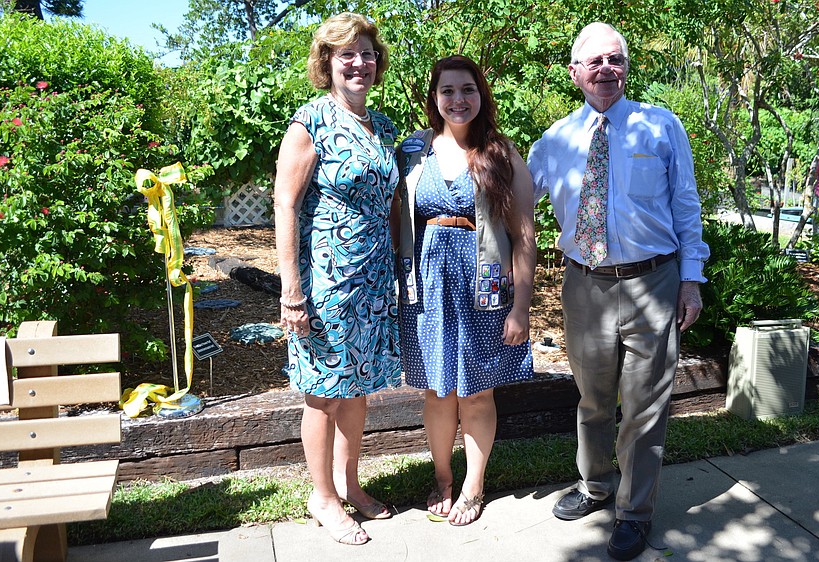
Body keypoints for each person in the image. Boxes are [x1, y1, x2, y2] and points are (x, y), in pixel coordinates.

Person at [526, 22, 710, 561]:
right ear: (575, 73)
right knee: (593, 399)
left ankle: (634, 512)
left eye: (616, 60)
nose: (607, 69)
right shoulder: (555, 140)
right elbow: (512, 197)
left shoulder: (660, 126)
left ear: (626, 68)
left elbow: (686, 204)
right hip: (585, 286)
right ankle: (596, 486)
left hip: (655, 279)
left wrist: (691, 279)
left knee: (647, 408)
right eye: (595, 61)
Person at [273, 12, 401, 546]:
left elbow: (392, 204)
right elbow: (285, 204)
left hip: (373, 280)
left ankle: (352, 485)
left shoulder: (385, 127)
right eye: (347, 53)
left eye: (367, 53)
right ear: (327, 62)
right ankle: (322, 497)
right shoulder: (311, 122)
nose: (359, 63)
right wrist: (291, 290)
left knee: (359, 388)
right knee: (323, 392)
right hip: (324, 281)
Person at [393, 55, 536, 527]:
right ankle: (442, 478)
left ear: (481, 95)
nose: (458, 99)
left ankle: (473, 485)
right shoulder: (413, 152)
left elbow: (524, 236)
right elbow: (395, 224)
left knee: (477, 394)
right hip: (429, 287)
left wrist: (520, 306)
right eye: (448, 90)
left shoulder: (500, 152)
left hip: (485, 288)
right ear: (434, 98)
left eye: (467, 89)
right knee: (437, 391)